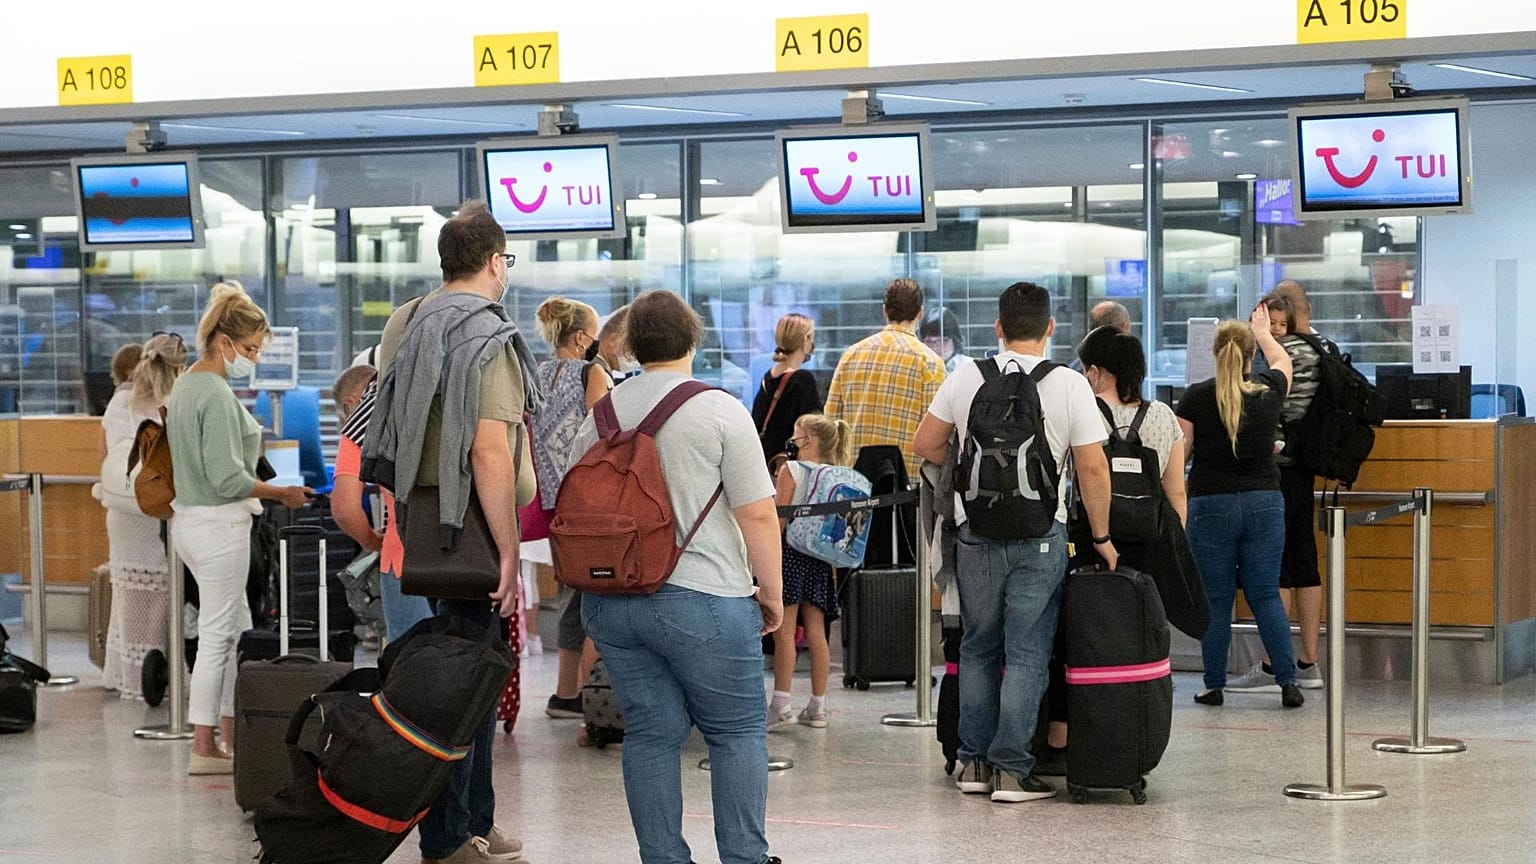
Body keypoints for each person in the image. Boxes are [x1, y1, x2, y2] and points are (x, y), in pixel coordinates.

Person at [572, 289, 784, 864]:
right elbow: (758, 513)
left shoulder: (600, 418)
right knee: (736, 732)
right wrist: (772, 593)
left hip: (611, 603)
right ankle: (744, 858)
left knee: (650, 731)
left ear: (632, 346)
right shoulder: (718, 411)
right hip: (705, 598)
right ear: (694, 340)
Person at [364, 201, 539, 864]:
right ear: (495, 261)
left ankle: (476, 817)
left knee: (470, 675)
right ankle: (447, 838)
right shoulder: (485, 334)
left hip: (418, 518)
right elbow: (488, 450)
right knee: (463, 687)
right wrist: (508, 548)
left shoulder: (405, 322)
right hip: (471, 527)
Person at [912, 281, 1117, 804]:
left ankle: (973, 763)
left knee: (979, 645)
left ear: (998, 328)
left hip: (975, 532)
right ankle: (1010, 768)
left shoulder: (966, 377)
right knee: (1026, 651)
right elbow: (1092, 465)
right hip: (1041, 535)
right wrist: (1102, 536)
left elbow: (925, 444)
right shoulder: (1069, 385)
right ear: (1050, 328)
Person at [166, 282, 313, 775]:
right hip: (220, 525)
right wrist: (281, 494)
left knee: (237, 632)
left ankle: (229, 733)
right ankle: (204, 744)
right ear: (224, 340)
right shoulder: (213, 391)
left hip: (190, 521)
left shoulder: (186, 384)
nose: (251, 358)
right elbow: (228, 478)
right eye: (249, 349)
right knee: (217, 637)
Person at [1175, 305, 1305, 710]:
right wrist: (1263, 332)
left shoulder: (1195, 397)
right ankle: (1287, 682)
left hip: (1210, 504)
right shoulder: (1267, 390)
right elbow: (1285, 360)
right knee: (1266, 594)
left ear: (1216, 354)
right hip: (1264, 502)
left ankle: (1214, 685)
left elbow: (1180, 456)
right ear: (1252, 356)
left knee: (1215, 599)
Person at [1230, 285, 1326, 692]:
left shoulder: (1283, 357)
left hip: (1278, 470)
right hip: (1304, 467)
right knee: (1305, 564)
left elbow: (1262, 406)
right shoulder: (1320, 349)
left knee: (1278, 566)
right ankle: (1308, 661)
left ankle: (1273, 664)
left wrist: (1262, 343)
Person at [532, 296, 612, 733]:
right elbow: (606, 433)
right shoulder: (591, 373)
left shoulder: (538, 374)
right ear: (582, 338)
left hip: (553, 503)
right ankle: (590, 695)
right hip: (590, 498)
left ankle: (564, 693)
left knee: (570, 596)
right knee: (597, 596)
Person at [95, 335, 186, 699]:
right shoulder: (173, 404)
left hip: (121, 510)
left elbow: (102, 459)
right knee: (165, 594)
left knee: (130, 594)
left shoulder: (119, 403)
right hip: (160, 510)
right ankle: (162, 677)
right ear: (178, 368)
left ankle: (127, 676)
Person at [329, 367, 434, 644]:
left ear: (350, 403)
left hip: (404, 557)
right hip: (470, 555)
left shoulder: (365, 415)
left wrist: (373, 541)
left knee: (411, 664)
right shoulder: (447, 392)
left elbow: (344, 508)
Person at [767, 412, 850, 731]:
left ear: (808, 440)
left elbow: (779, 517)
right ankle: (817, 707)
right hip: (820, 557)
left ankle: (780, 703)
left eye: (796, 433)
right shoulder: (837, 473)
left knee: (784, 631)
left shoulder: (791, 469)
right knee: (817, 631)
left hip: (790, 553)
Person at [824, 278, 946, 481]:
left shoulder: (851, 355)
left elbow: (831, 423)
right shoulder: (930, 362)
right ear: (920, 313)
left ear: (884, 311)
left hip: (852, 486)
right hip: (905, 489)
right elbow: (933, 434)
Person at [751, 313, 823, 473]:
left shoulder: (768, 379)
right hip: (793, 469)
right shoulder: (802, 380)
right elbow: (815, 428)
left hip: (769, 467)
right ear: (804, 340)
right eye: (811, 338)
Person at [920, 308, 973, 374]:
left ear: (955, 340)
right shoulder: (917, 368)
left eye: (942, 341)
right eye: (929, 342)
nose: (935, 348)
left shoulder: (970, 366)